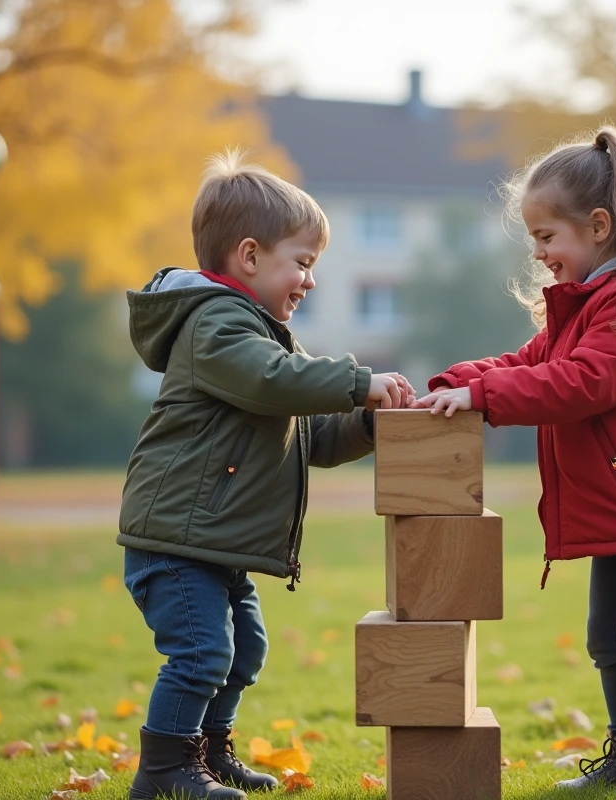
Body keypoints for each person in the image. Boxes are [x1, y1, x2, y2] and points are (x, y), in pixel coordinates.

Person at [413, 126, 616, 796]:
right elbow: (525, 365)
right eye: (533, 239)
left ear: (597, 226)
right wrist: (453, 384)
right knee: (607, 637)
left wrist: (482, 396)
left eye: (545, 238)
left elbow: (578, 384)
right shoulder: (582, 310)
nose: (538, 255)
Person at [118, 153, 414, 799]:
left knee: (241, 652)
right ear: (249, 257)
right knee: (200, 654)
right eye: (302, 262)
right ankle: (164, 772)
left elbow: (310, 434)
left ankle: (207, 752)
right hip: (175, 541)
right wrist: (359, 382)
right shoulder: (216, 326)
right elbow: (270, 382)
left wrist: (370, 422)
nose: (309, 279)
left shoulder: (268, 335)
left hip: (214, 540)